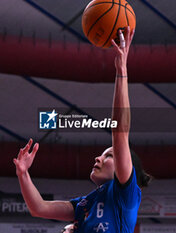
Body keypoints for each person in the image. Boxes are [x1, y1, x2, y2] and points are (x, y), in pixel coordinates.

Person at [13, 27, 151, 233]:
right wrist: (23, 173)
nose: (98, 158)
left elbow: (120, 132)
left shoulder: (125, 195)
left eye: (109, 156)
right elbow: (39, 208)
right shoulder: (85, 204)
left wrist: (122, 70)